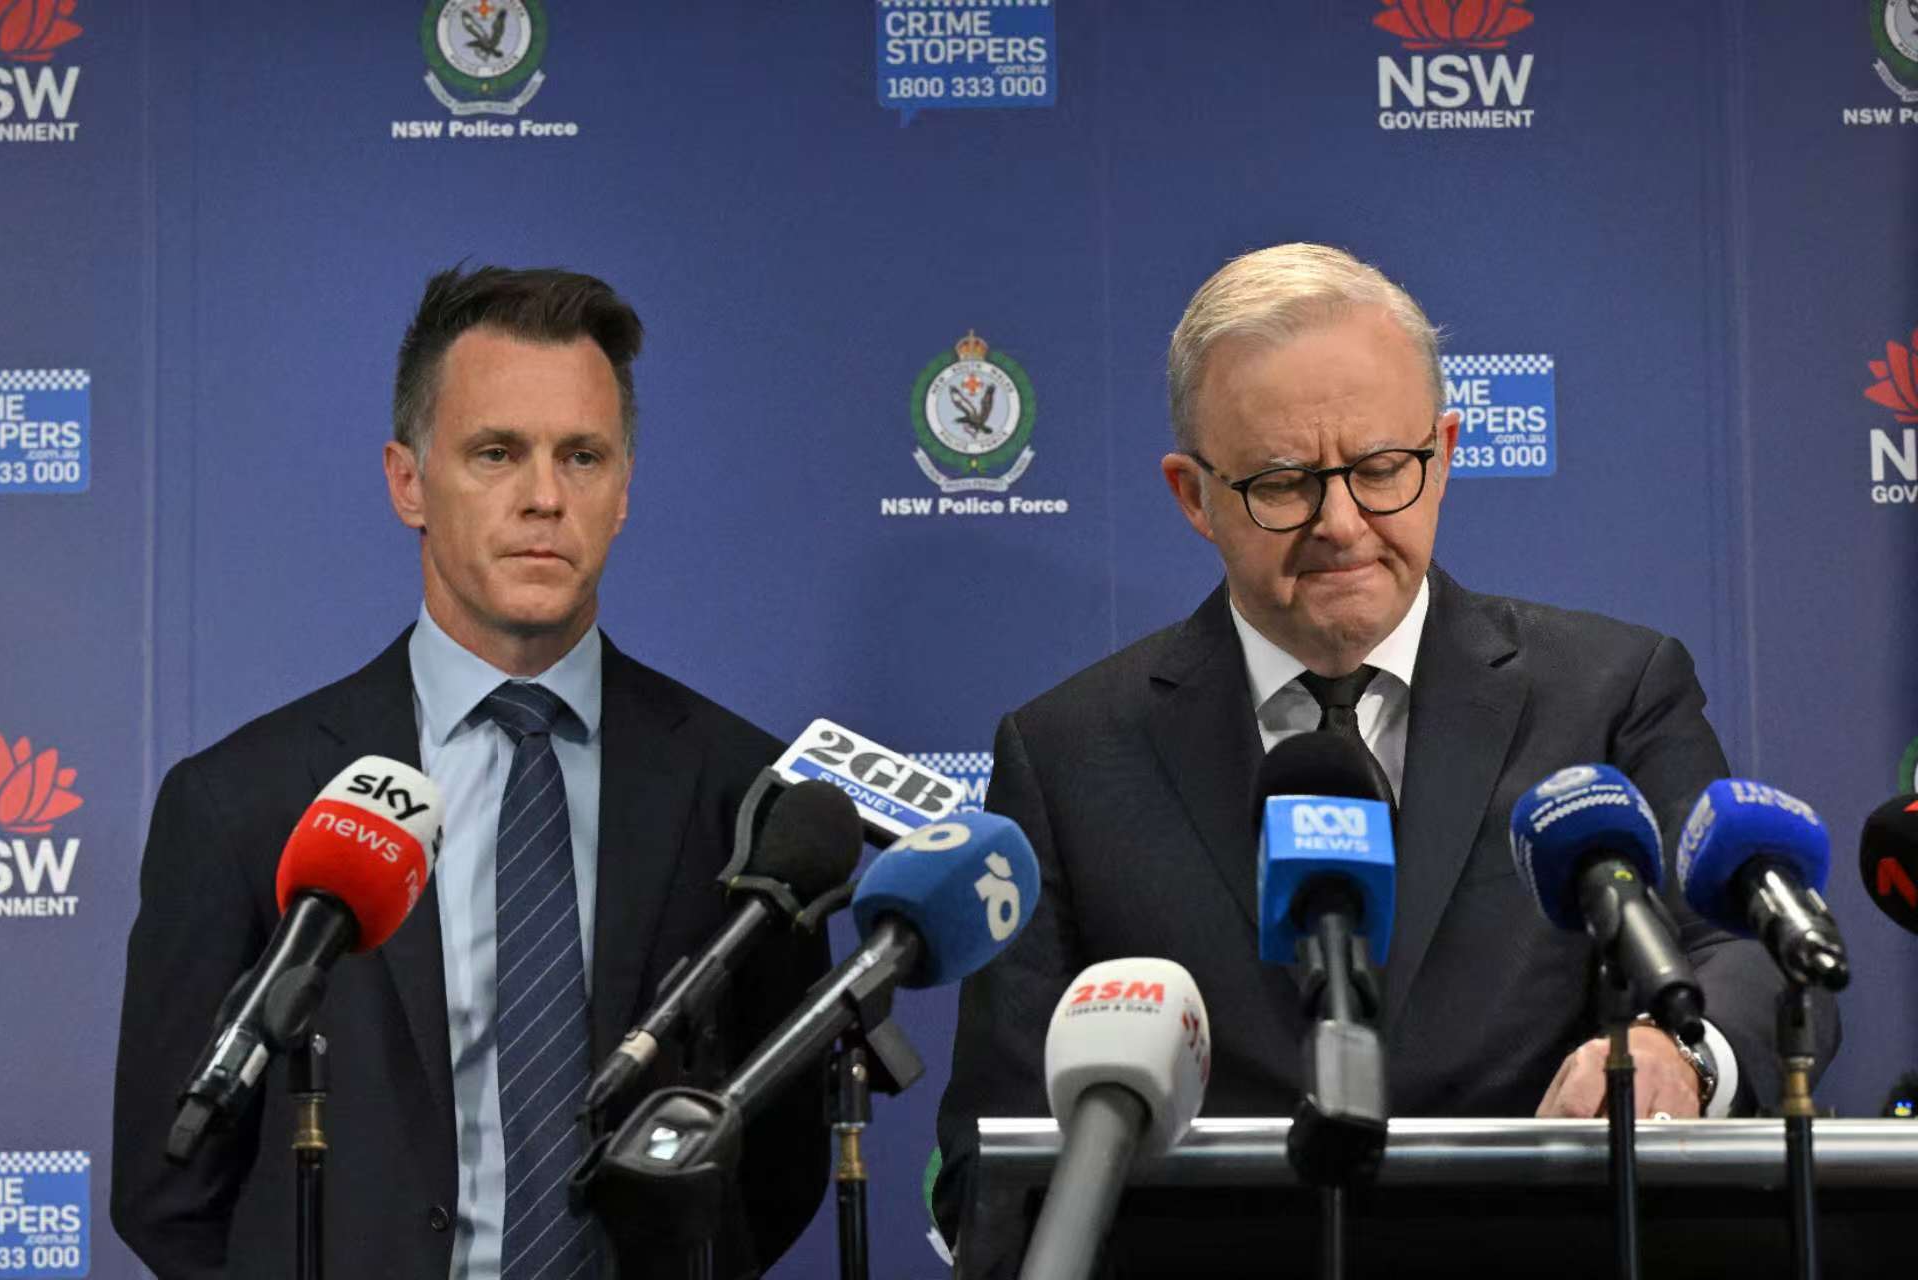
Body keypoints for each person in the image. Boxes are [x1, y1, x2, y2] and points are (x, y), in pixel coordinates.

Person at [933, 243, 1839, 1268]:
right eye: (1282, 482)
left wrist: (1679, 1052)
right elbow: (994, 1153)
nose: (1341, 524)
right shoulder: (1067, 754)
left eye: (1379, 469)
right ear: (1194, 495)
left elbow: (1742, 952)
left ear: (1445, 451)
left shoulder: (1609, 693)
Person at [111, 266, 829, 1279]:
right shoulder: (240, 802)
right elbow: (166, 1178)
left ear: (623, 491)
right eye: (497, 452)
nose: (544, 496)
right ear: (408, 480)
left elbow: (780, 1161)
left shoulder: (744, 788)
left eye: (582, 456)